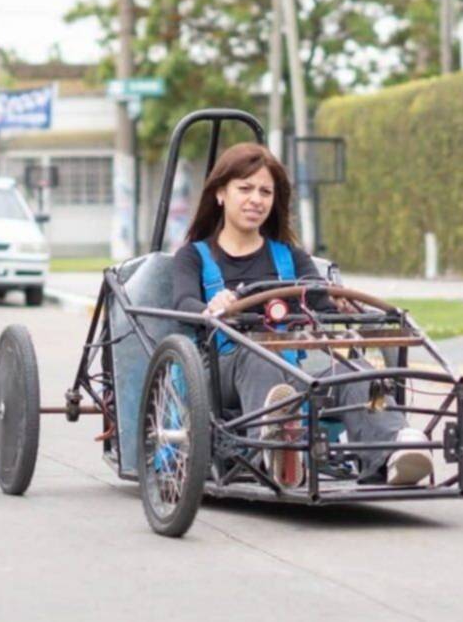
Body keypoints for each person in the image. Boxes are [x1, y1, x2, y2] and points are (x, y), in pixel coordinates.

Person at [171, 142, 432, 487]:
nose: (256, 199)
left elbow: (322, 309)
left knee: (355, 370)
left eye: (265, 192)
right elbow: (182, 304)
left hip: (295, 365)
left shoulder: (291, 257)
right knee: (260, 356)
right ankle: (275, 453)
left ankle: (393, 450)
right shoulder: (193, 256)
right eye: (245, 189)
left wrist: (342, 307)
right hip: (223, 371)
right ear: (220, 194)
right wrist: (212, 307)